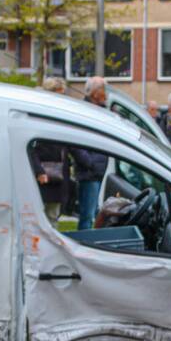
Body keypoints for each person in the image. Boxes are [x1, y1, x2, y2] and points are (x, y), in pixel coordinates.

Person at [73, 77, 110, 229]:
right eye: (103, 90)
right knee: (87, 215)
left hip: (99, 171)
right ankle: (83, 241)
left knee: (94, 212)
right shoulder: (82, 110)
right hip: (89, 172)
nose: (106, 94)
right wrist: (89, 162)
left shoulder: (103, 110)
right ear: (95, 93)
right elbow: (75, 141)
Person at [30, 141, 67, 225]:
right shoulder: (39, 140)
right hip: (40, 182)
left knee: (52, 217)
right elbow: (32, 153)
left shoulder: (63, 141)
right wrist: (39, 171)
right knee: (36, 217)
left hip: (57, 184)